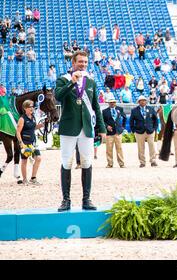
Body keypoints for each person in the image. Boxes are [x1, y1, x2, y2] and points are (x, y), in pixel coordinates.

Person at [55, 51, 106, 212]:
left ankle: (86, 199)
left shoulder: (91, 82)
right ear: (73, 63)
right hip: (69, 127)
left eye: (85, 62)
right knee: (66, 162)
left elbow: (96, 106)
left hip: (86, 128)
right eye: (80, 62)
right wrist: (72, 81)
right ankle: (66, 200)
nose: (83, 64)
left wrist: (102, 128)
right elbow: (58, 96)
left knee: (87, 162)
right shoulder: (63, 79)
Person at [15, 100, 45, 185]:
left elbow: (33, 127)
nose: (32, 108)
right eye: (30, 107)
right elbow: (18, 132)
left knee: (38, 158)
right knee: (24, 161)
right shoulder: (22, 119)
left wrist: (41, 125)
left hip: (33, 142)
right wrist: (21, 143)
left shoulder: (33, 117)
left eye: (32, 106)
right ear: (25, 108)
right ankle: (24, 179)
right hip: (25, 142)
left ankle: (33, 178)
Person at [129, 96, 158, 168]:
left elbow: (156, 120)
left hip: (150, 131)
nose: (143, 102)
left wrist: (154, 129)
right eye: (141, 100)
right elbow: (131, 121)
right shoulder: (134, 110)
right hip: (139, 132)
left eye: (144, 100)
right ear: (138, 102)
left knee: (152, 146)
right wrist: (134, 131)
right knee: (140, 147)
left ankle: (153, 161)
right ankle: (142, 162)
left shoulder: (151, 109)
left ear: (146, 101)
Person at [102, 98, 126, 168]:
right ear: (108, 103)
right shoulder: (104, 111)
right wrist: (107, 126)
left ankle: (121, 163)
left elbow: (124, 117)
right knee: (109, 149)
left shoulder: (120, 109)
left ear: (115, 103)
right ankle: (110, 163)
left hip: (118, 132)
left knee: (119, 148)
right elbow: (102, 121)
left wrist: (122, 127)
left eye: (113, 102)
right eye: (111, 102)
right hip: (109, 133)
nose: (112, 103)